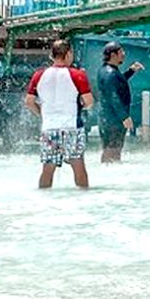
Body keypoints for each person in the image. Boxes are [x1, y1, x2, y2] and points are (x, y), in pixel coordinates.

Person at [25, 40, 94, 189]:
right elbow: (89, 101)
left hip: (49, 127)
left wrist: (42, 114)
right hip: (71, 126)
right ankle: (84, 197)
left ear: (52, 55)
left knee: (48, 168)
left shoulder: (39, 75)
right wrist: (82, 106)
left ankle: (43, 197)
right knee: (78, 164)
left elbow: (29, 101)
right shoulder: (77, 75)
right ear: (68, 54)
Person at [97, 41, 144, 164]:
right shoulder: (110, 73)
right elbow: (114, 96)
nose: (124, 54)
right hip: (113, 119)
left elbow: (118, 83)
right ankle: (110, 172)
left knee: (110, 148)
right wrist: (124, 117)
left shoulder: (106, 71)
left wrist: (131, 71)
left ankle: (108, 170)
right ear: (113, 55)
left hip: (107, 118)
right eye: (121, 52)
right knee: (113, 149)